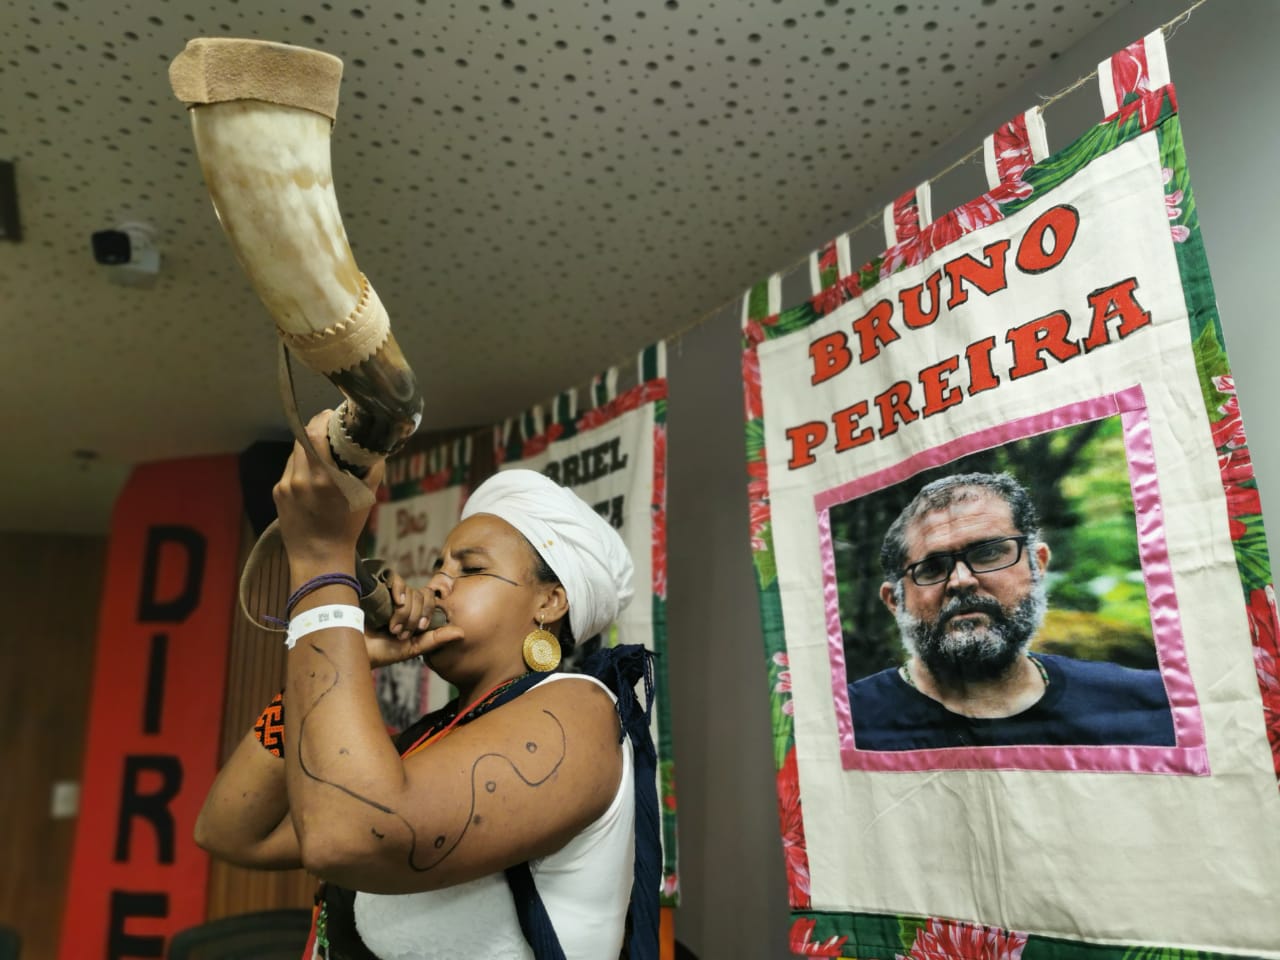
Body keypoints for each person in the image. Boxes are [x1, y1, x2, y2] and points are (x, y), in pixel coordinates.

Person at [195, 410, 659, 959]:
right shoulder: (436, 740)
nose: (437, 582)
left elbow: (346, 834)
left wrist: (323, 561)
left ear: (549, 601)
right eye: (440, 565)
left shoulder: (578, 709)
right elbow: (230, 831)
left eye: (471, 569)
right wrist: (351, 657)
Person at [847, 471, 1176, 752]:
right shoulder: (847, 723)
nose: (961, 581)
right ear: (895, 600)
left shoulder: (1147, 703)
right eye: (932, 568)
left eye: (989, 553)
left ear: (1038, 565)